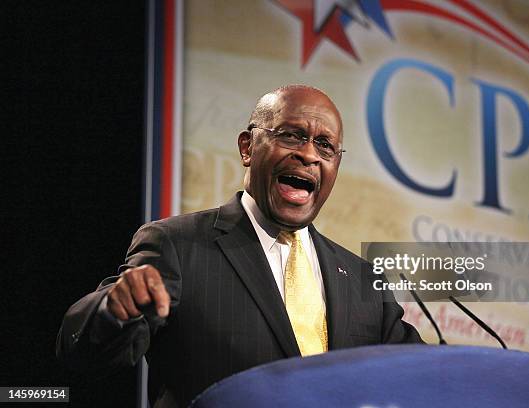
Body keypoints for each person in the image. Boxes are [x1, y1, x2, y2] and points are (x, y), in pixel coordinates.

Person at [57, 85, 422, 408]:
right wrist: (113, 311)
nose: (309, 155)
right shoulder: (178, 244)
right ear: (248, 147)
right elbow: (86, 355)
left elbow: (419, 376)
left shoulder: (361, 278)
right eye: (292, 136)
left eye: (324, 145)